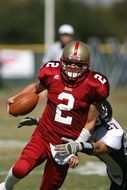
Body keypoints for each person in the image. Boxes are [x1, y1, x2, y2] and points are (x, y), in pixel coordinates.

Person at [0, 40, 109, 190]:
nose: (73, 68)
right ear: (62, 61)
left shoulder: (94, 85)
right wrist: (17, 97)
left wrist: (75, 146)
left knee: (48, 188)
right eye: (69, 63)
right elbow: (36, 88)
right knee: (20, 168)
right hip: (44, 134)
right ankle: (5, 187)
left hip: (65, 143)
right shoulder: (52, 72)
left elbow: (90, 123)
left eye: (78, 65)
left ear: (87, 65)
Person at [55, 100, 127, 190]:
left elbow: (99, 148)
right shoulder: (92, 125)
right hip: (116, 173)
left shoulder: (114, 132)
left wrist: (79, 146)